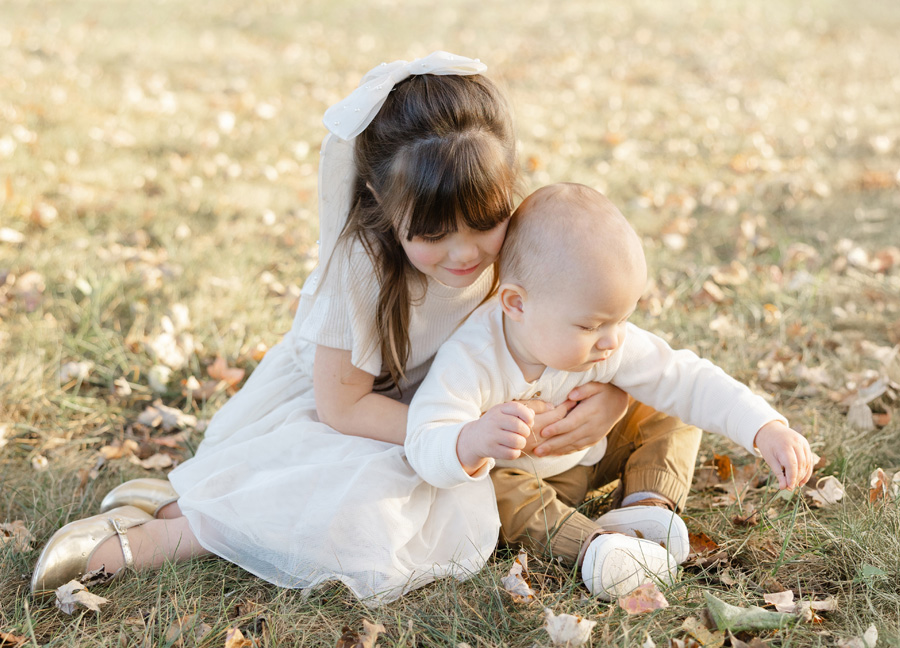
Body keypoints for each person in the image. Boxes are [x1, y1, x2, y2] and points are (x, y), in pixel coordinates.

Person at [30, 53, 624, 605]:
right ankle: (172, 534)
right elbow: (343, 409)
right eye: (432, 233)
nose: (465, 252)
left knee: (656, 405)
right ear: (382, 202)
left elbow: (592, 311)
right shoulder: (362, 268)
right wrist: (457, 434)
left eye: (486, 220)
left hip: (462, 412)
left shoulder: (518, 239)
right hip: (366, 414)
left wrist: (612, 398)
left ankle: (173, 505)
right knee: (367, 505)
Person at [405, 182, 814, 601]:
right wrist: (470, 441)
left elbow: (687, 379)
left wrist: (764, 427)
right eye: (590, 326)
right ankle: (594, 548)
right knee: (491, 493)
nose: (611, 341)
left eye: (622, 320)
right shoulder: (470, 358)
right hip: (524, 480)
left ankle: (648, 505)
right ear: (516, 305)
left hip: (591, 457)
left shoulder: (606, 337)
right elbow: (423, 437)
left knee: (669, 412)